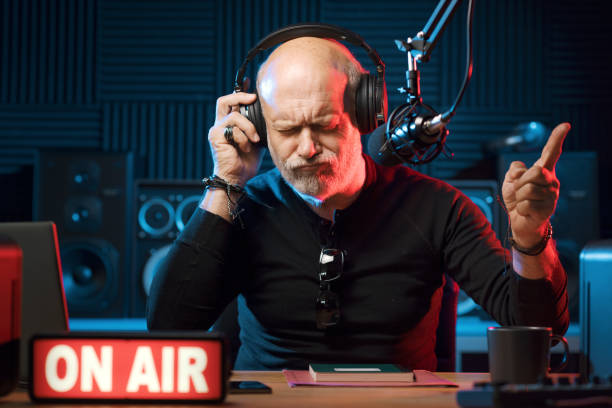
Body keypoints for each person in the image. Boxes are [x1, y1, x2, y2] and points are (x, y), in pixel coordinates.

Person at [147, 36, 569, 371]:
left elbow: (538, 329)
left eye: (325, 126)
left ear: (368, 113)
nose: (307, 148)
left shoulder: (441, 209)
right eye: (287, 129)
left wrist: (531, 237)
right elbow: (168, 328)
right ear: (257, 128)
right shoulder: (241, 208)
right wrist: (226, 182)